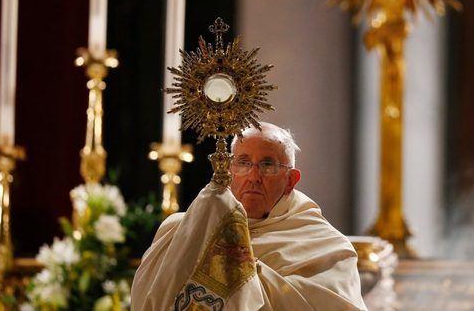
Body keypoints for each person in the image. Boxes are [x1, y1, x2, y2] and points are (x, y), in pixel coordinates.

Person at [131, 122, 367, 310]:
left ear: (291, 180)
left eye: (268, 165)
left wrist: (236, 265)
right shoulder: (181, 231)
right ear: (228, 169)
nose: (254, 176)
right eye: (243, 162)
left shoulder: (327, 247)